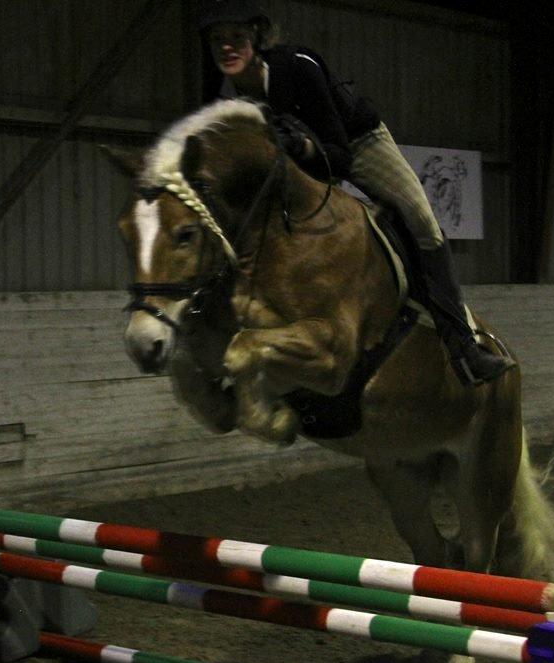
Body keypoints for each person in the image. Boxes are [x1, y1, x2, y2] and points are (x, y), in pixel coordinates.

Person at [197, 0, 515, 386]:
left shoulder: (298, 66)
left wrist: (302, 147)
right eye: (217, 39)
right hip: (293, 167)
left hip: (358, 143)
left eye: (236, 36)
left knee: (422, 221)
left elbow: (340, 158)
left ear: (256, 37)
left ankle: (464, 347)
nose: (226, 47)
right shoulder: (218, 95)